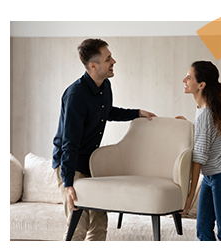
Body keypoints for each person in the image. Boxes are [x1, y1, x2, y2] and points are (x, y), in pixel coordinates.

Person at [52, 38, 157, 241]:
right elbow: (69, 143)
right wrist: (68, 184)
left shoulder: (105, 86)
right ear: (93, 66)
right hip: (71, 164)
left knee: (99, 224)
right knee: (78, 226)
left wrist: (137, 113)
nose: (114, 61)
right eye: (108, 59)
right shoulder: (76, 96)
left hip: (91, 163)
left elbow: (106, 112)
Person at [176, 61, 221, 241]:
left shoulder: (205, 113)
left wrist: (189, 197)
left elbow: (198, 157)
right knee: (203, 229)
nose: (184, 80)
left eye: (189, 77)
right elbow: (205, 137)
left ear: (201, 85)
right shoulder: (204, 108)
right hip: (212, 176)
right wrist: (190, 126)